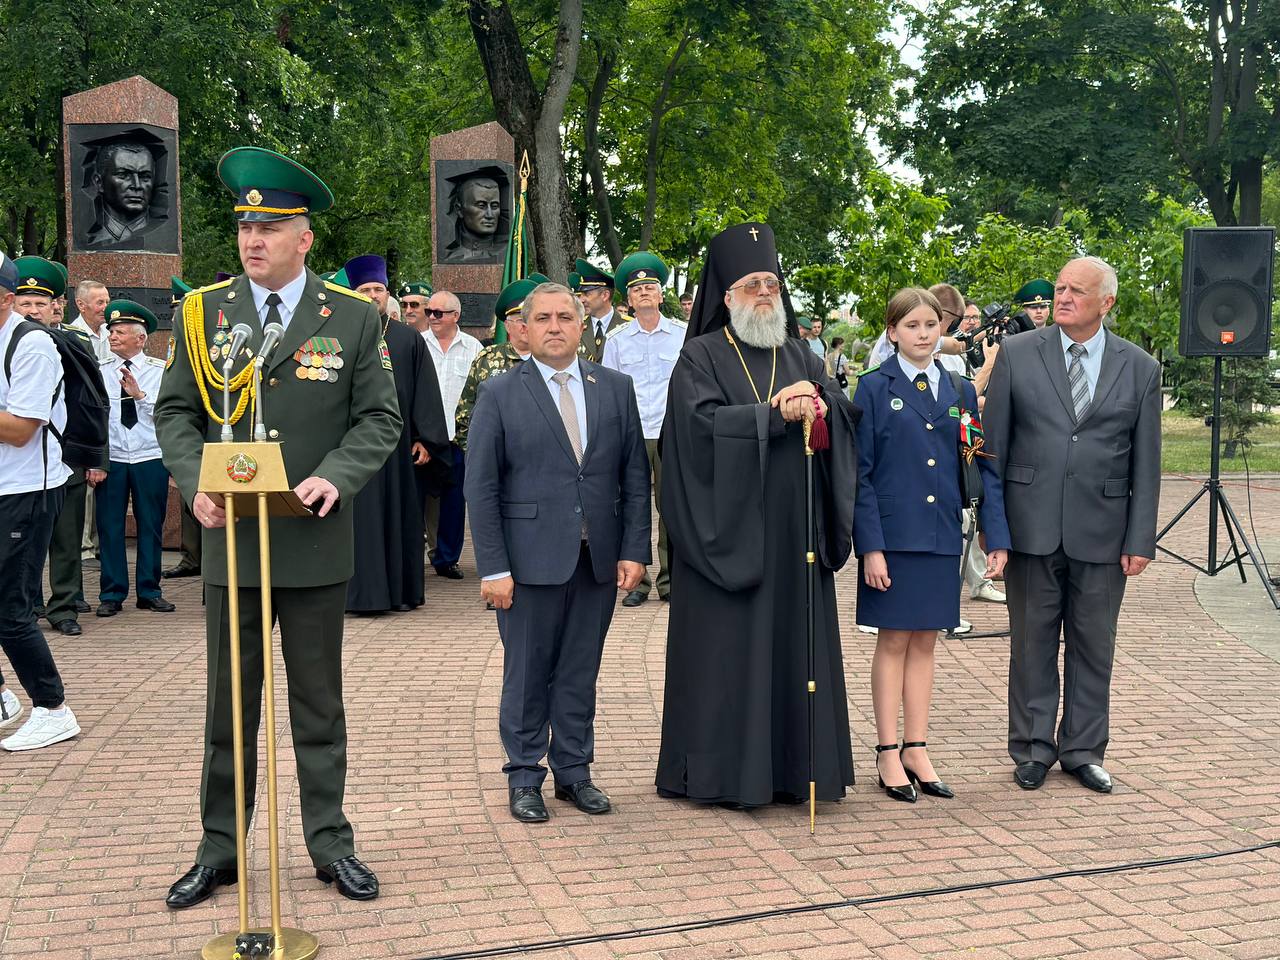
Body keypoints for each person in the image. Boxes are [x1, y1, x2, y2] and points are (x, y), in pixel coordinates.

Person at [155, 146, 401, 907]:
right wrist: (194, 477)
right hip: (232, 539)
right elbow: (174, 412)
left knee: (318, 707)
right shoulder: (203, 314)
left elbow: (378, 418)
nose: (252, 239)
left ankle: (329, 844)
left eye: (270, 226)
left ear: (305, 238)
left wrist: (335, 473)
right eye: (244, 226)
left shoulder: (353, 319)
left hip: (313, 539)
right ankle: (221, 848)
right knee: (230, 706)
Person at [656, 223, 859, 809]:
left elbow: (841, 419)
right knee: (728, 657)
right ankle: (724, 777)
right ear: (726, 295)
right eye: (751, 284)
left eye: (771, 282)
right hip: (728, 534)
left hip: (796, 537)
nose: (764, 292)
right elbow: (693, 433)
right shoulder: (699, 355)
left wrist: (818, 407)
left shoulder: (801, 354)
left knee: (795, 651)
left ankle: (797, 771)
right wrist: (770, 414)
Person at [465, 282, 650, 823]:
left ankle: (574, 773)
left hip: (597, 560)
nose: (553, 327)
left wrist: (635, 549)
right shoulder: (500, 392)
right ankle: (524, 777)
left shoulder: (615, 388)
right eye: (541, 318)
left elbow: (634, 475)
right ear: (521, 328)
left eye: (564, 317)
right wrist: (494, 567)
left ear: (581, 323)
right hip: (526, 565)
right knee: (526, 673)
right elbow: (482, 487)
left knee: (578, 671)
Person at [983, 256, 1161, 795]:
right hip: (1030, 525)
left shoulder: (1140, 367)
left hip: (1105, 532)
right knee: (1032, 642)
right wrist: (998, 532)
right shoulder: (1017, 354)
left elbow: (1146, 464)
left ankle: (1083, 750)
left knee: (1093, 644)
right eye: (1059, 288)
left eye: (1076, 291)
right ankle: (1034, 748)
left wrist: (1140, 538)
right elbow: (994, 450)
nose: (1062, 298)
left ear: (1106, 303)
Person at [853, 287, 1010, 802]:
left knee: (926, 641)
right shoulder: (874, 388)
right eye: (912, 326)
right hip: (895, 539)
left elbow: (977, 461)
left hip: (944, 533)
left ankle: (917, 747)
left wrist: (994, 536)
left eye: (931, 325)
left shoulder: (961, 390)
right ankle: (886, 750)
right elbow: (862, 474)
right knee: (894, 639)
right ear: (892, 330)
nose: (923, 334)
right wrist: (870, 546)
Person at [0, 251, 82, 752]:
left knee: (11, 611)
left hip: (26, 490)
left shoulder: (32, 346)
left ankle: (53, 709)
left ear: (6, 299)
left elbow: (21, 430)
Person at [343, 255, 451, 613]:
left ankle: (400, 592)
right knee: (357, 525)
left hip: (397, 450)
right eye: (364, 289)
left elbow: (425, 392)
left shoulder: (408, 340)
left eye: (378, 289)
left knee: (398, 518)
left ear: (386, 294)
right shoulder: (335, 337)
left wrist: (424, 438)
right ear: (352, 293)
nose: (372, 295)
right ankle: (356, 596)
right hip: (350, 450)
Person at [11, 259, 98, 635]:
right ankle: (27, 607)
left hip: (66, 458)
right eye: (25, 304)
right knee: (23, 548)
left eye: (40, 304)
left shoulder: (73, 345)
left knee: (66, 541)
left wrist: (96, 457)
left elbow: (95, 405)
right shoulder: (8, 345)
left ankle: (64, 608)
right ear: (13, 305)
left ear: (54, 307)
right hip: (18, 466)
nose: (33, 311)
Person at [601, 251, 684, 607]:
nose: (645, 293)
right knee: (634, 507)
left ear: (662, 295)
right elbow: (607, 391)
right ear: (629, 300)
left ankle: (671, 581)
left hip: (672, 433)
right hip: (632, 434)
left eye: (651, 287)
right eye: (638, 290)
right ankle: (639, 582)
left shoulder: (682, 335)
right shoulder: (618, 341)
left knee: (672, 508)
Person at [94, 300, 176, 618]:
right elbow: (93, 418)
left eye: (120, 332)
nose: (113, 336)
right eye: (111, 331)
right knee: (110, 526)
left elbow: (168, 416)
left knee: (151, 525)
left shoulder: (159, 371)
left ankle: (149, 590)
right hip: (113, 457)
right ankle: (112, 593)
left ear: (140, 338)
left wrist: (140, 396)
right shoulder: (100, 371)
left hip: (149, 456)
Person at [929, 284, 1004, 608]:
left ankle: (962, 590)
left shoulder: (953, 372)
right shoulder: (879, 382)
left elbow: (976, 447)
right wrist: (989, 363)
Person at [422, 289, 481, 580]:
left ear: (455, 316)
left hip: (458, 439)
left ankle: (447, 559)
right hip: (423, 439)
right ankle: (412, 557)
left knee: (454, 502)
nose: (431, 317)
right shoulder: (417, 344)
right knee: (419, 501)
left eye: (438, 313)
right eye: (428, 312)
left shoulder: (473, 348)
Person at [453, 274, 548, 453]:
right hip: (495, 460)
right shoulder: (487, 360)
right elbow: (465, 415)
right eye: (520, 320)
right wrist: (480, 457)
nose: (525, 326)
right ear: (507, 325)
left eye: (532, 319)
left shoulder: (552, 360)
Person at [163, 278, 202, 580]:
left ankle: (200, 560)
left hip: (213, 431)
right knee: (192, 501)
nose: (178, 317)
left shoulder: (206, 339)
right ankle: (192, 557)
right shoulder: (179, 344)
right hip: (190, 436)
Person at [85, 140, 158, 248]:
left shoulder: (162, 238)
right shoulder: (92, 236)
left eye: (145, 177)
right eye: (123, 175)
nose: (137, 185)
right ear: (99, 182)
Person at [572, 258, 625, 362]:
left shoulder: (628, 327)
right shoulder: (576, 326)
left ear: (605, 295)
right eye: (580, 294)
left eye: (586, 294)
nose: (581, 300)